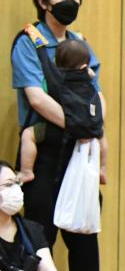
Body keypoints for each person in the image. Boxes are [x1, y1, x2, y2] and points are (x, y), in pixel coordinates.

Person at [10, 0, 105, 271]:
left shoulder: (80, 41)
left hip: (80, 153)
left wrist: (95, 124)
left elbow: (96, 93)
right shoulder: (29, 42)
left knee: (84, 234)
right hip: (46, 149)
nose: (71, 3)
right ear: (42, 1)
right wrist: (80, 124)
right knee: (39, 235)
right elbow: (36, 98)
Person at [19, 39, 106, 184]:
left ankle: (26, 171)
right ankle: (102, 169)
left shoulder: (58, 78)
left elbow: (41, 95)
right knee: (102, 138)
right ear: (85, 65)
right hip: (90, 126)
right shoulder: (89, 76)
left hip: (62, 125)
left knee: (28, 135)